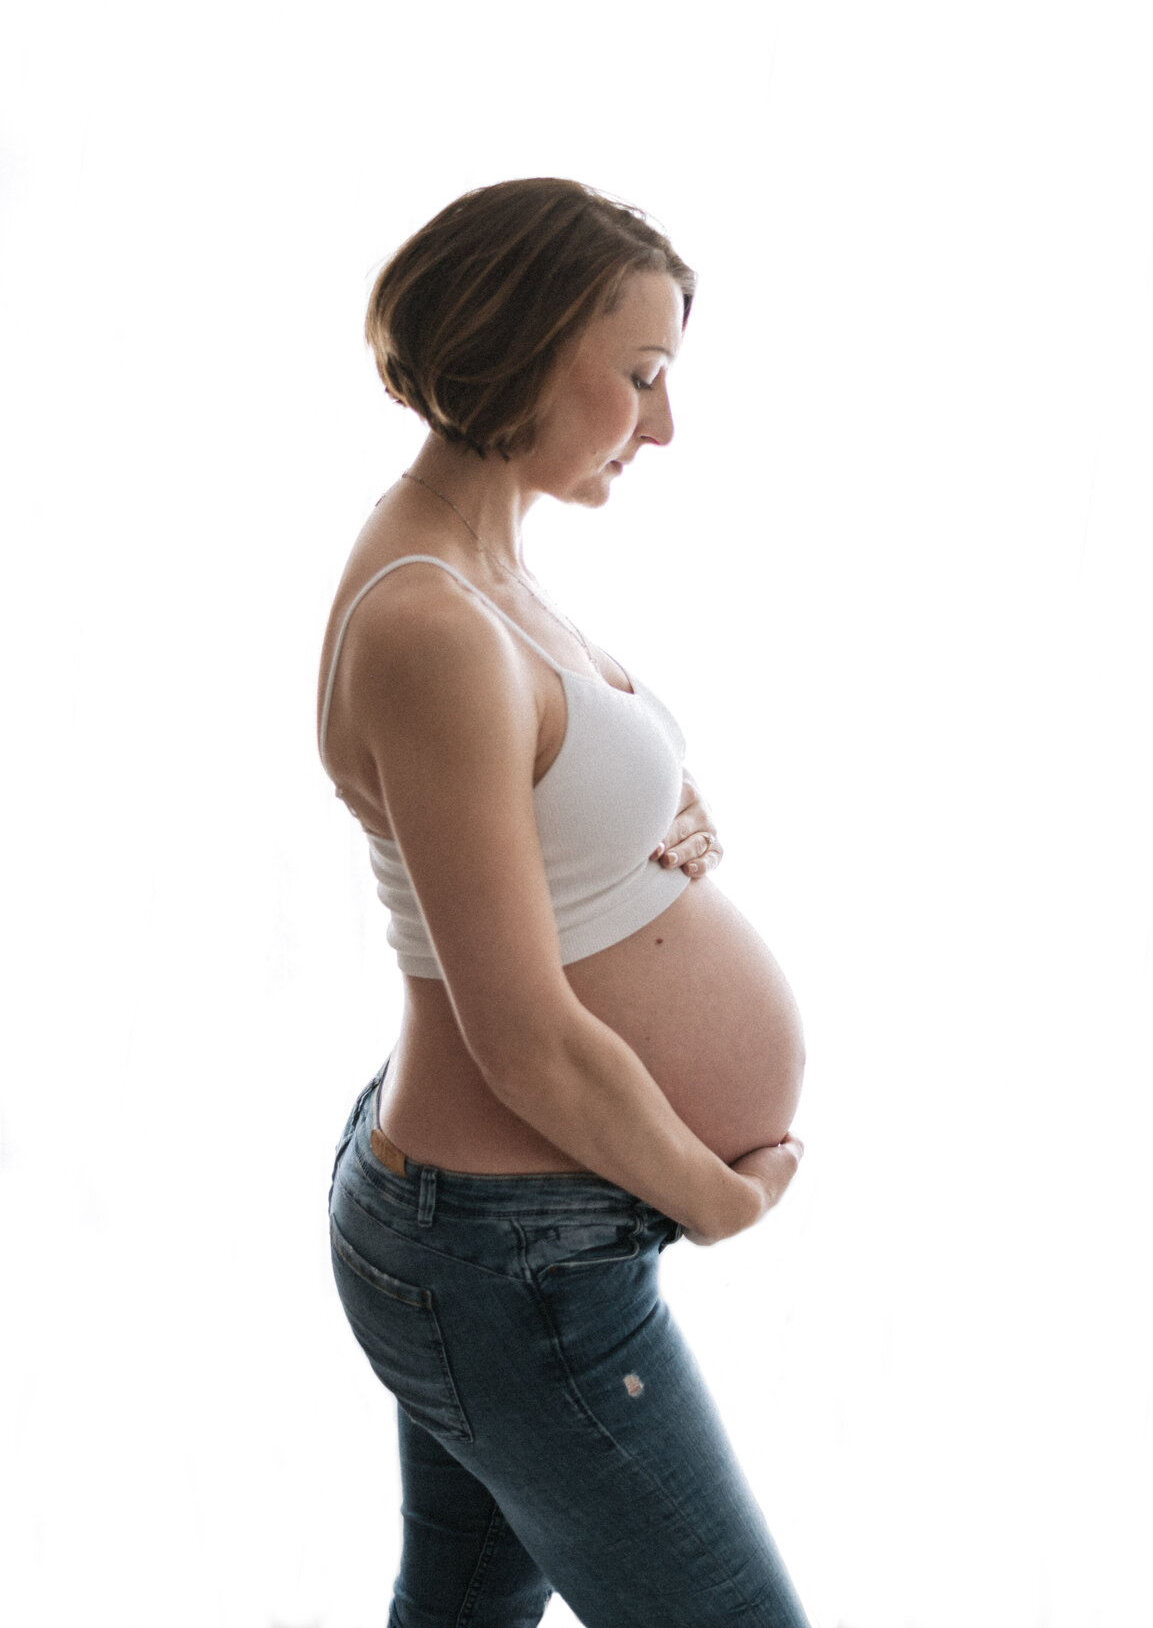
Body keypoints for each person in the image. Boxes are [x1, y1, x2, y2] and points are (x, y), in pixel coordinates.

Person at [319, 177, 811, 1627]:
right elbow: (526, 1033)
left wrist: (658, 796)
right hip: (509, 1256)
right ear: (529, 343)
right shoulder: (426, 619)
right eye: (643, 376)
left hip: (505, 1233)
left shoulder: (482, 557)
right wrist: (709, 1195)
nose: (662, 426)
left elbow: (539, 778)